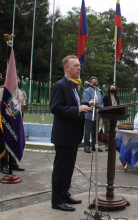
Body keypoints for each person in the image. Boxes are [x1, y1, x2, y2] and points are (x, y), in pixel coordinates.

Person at [50, 55, 94, 212]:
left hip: (73, 135)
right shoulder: (60, 85)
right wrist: (77, 109)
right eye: (75, 65)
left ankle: (64, 193)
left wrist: (86, 104)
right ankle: (57, 200)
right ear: (66, 68)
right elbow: (55, 108)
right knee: (61, 169)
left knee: (69, 168)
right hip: (64, 135)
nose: (79, 68)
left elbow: (72, 105)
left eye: (79, 66)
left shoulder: (73, 86)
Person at [0, 71, 26, 174]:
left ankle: (13, 163)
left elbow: (22, 105)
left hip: (16, 122)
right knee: (4, 143)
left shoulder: (20, 92)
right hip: (4, 121)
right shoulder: (0, 91)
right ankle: (3, 165)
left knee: (15, 140)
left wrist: (23, 107)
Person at [82, 76, 104, 153]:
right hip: (89, 115)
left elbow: (101, 102)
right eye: (93, 83)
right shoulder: (87, 91)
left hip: (97, 115)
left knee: (96, 132)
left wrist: (101, 107)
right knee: (87, 132)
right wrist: (92, 107)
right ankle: (87, 146)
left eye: (96, 82)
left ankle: (95, 146)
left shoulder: (98, 91)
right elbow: (87, 101)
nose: (95, 84)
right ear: (90, 83)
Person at [102, 84, 120, 151]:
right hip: (107, 116)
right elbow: (103, 107)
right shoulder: (106, 97)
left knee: (113, 131)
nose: (113, 89)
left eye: (114, 88)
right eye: (112, 88)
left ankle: (112, 145)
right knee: (107, 130)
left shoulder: (116, 98)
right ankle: (107, 146)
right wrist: (104, 117)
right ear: (109, 89)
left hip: (114, 117)